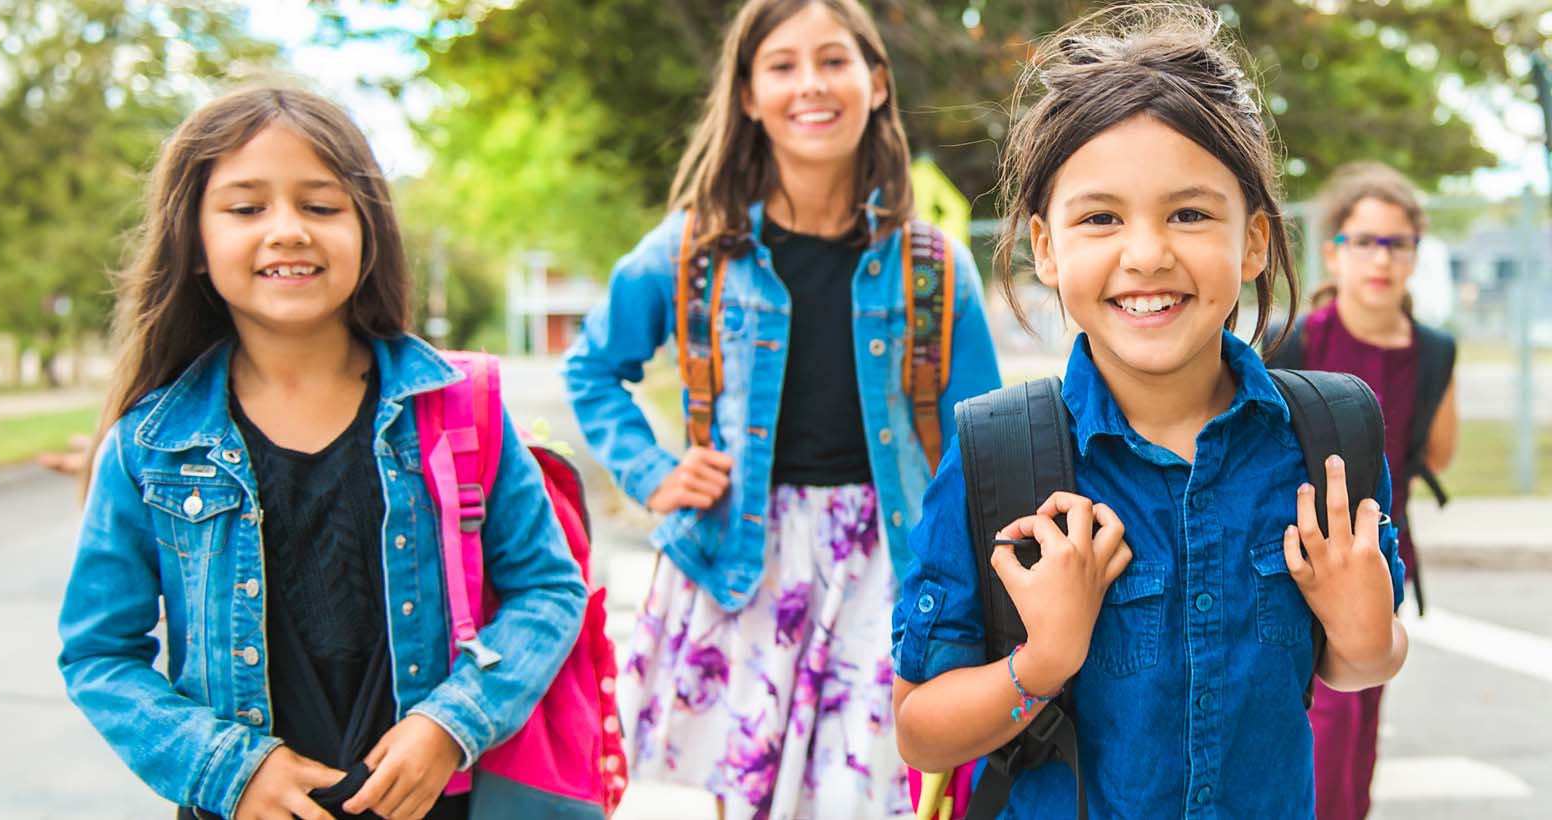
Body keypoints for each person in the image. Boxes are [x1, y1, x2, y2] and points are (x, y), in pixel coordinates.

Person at [890, 5, 1409, 816]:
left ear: (1254, 242)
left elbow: (1358, 661)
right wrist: (1046, 658)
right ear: (1048, 246)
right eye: (1101, 218)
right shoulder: (998, 453)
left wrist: (1368, 633)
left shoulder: (1328, 441)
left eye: (1189, 214)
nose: (1147, 254)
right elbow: (921, 731)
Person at [56, 85, 585, 820]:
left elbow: (549, 591)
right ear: (196, 246)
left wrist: (453, 723)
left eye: (321, 205)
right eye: (246, 208)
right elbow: (99, 654)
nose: (287, 231)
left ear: (368, 233)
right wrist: (224, 769)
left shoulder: (459, 410)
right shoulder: (148, 446)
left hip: (435, 804)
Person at [562, 0, 1001, 815]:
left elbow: (982, 445)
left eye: (834, 60)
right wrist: (654, 472)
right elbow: (592, 367)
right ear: (750, 94)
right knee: (749, 797)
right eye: (783, 65)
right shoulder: (694, 249)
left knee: (863, 799)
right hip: (742, 559)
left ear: (875, 83)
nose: (811, 84)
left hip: (885, 564)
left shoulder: (934, 267)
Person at [1294, 161, 1459, 820]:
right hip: (1302, 563)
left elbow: (1437, 453)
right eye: (1363, 240)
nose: (1380, 258)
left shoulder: (1435, 350)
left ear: (1416, 253)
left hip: (1383, 562)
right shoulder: (1298, 341)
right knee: (1327, 731)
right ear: (1335, 250)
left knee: (1359, 736)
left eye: (1397, 242)